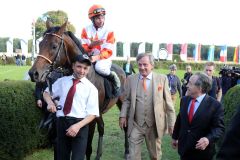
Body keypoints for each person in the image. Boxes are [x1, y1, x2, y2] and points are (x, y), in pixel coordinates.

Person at [119, 53, 176, 160]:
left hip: (154, 126)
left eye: (145, 64)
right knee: (133, 156)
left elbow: (169, 104)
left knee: (155, 156)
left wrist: (172, 124)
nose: (142, 67)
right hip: (136, 125)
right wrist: (122, 115)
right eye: (139, 65)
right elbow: (127, 100)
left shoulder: (162, 79)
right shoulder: (131, 79)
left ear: (152, 65)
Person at [43, 54, 99, 160]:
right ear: (73, 66)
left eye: (85, 68)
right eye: (79, 66)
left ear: (88, 70)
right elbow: (46, 93)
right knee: (61, 157)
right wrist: (50, 102)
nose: (81, 71)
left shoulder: (92, 89)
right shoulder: (62, 81)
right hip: (62, 123)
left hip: (80, 126)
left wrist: (77, 126)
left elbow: (92, 114)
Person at [172, 72, 224, 160]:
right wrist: (175, 136)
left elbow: (219, 128)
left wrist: (208, 139)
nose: (187, 85)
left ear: (200, 88)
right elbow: (180, 119)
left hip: (202, 153)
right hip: (184, 149)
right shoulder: (184, 100)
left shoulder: (215, 106)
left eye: (190, 83)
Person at [81, 4, 120, 97]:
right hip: (89, 56)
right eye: (98, 18)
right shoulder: (85, 30)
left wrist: (97, 57)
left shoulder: (110, 31)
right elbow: (83, 47)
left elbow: (109, 50)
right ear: (92, 19)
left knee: (99, 68)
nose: (101, 20)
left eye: (102, 17)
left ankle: (113, 76)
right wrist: (91, 45)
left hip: (104, 58)